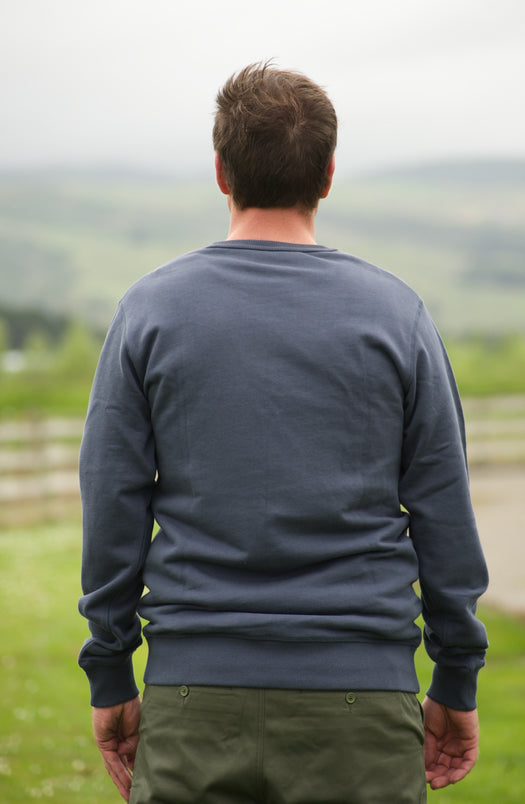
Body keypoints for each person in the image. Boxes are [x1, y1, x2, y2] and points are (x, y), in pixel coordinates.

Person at [78, 62, 488, 804]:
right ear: (327, 174)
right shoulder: (397, 316)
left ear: (219, 171)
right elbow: (443, 516)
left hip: (192, 701)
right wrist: (455, 677)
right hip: (363, 707)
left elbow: (111, 508)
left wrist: (111, 671)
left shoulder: (150, 312)